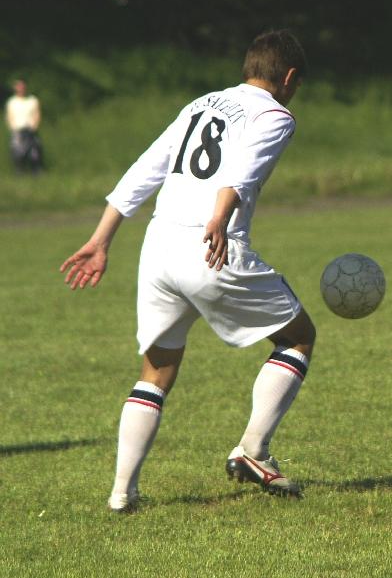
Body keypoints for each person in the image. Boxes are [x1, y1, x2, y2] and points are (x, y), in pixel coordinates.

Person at [60, 30, 315, 512]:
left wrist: (101, 238)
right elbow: (243, 168)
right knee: (298, 336)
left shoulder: (203, 104)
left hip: (158, 249)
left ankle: (121, 494)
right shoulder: (276, 115)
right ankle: (253, 451)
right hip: (211, 245)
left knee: (156, 370)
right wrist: (218, 219)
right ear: (289, 77)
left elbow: (146, 168)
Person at [5, 79, 43, 173]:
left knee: (35, 153)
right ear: (15, 88)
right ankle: (20, 171)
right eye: (18, 86)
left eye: (22, 86)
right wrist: (13, 128)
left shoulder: (32, 100)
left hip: (30, 130)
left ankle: (36, 171)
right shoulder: (12, 102)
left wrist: (34, 127)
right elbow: (9, 116)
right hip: (17, 130)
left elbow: (37, 114)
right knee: (18, 153)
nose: (21, 88)